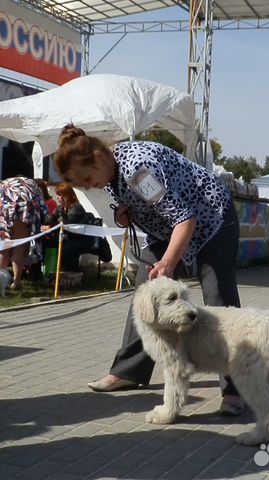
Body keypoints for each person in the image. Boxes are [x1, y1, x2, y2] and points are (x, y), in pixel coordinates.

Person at [55, 123, 244, 416]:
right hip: (167, 230)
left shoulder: (138, 170)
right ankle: (129, 372)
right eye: (84, 185)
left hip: (211, 222)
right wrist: (123, 212)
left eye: (88, 179)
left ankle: (235, 389)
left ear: (98, 157)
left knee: (219, 299)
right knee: (145, 298)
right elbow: (146, 203)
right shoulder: (112, 170)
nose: (90, 186)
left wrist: (168, 263)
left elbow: (184, 218)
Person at [0, 176, 48, 289]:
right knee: (19, 246)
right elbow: (43, 209)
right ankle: (16, 282)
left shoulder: (7, 183)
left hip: (4, 207)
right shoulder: (32, 186)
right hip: (24, 210)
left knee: (4, 246)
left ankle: (1, 282)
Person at [44, 183, 98, 271]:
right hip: (70, 238)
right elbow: (49, 218)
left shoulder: (76, 208)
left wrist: (50, 227)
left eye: (59, 195)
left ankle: (74, 272)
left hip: (82, 239)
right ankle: (50, 270)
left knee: (65, 249)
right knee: (49, 243)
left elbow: (68, 226)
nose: (57, 197)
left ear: (66, 196)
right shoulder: (62, 207)